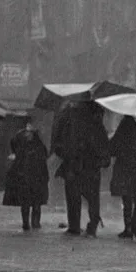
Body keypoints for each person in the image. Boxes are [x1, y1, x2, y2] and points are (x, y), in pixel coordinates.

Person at [52, 101, 110, 237]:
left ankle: (74, 227)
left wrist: (64, 154)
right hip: (91, 166)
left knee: (73, 197)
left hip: (73, 164)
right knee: (93, 197)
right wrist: (102, 159)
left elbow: (59, 142)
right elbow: (103, 144)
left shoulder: (68, 118)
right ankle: (93, 226)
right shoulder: (96, 121)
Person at [3, 121, 50, 231]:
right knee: (28, 202)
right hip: (26, 177)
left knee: (34, 203)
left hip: (34, 177)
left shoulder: (36, 146)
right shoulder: (23, 143)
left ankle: (34, 223)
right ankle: (28, 224)